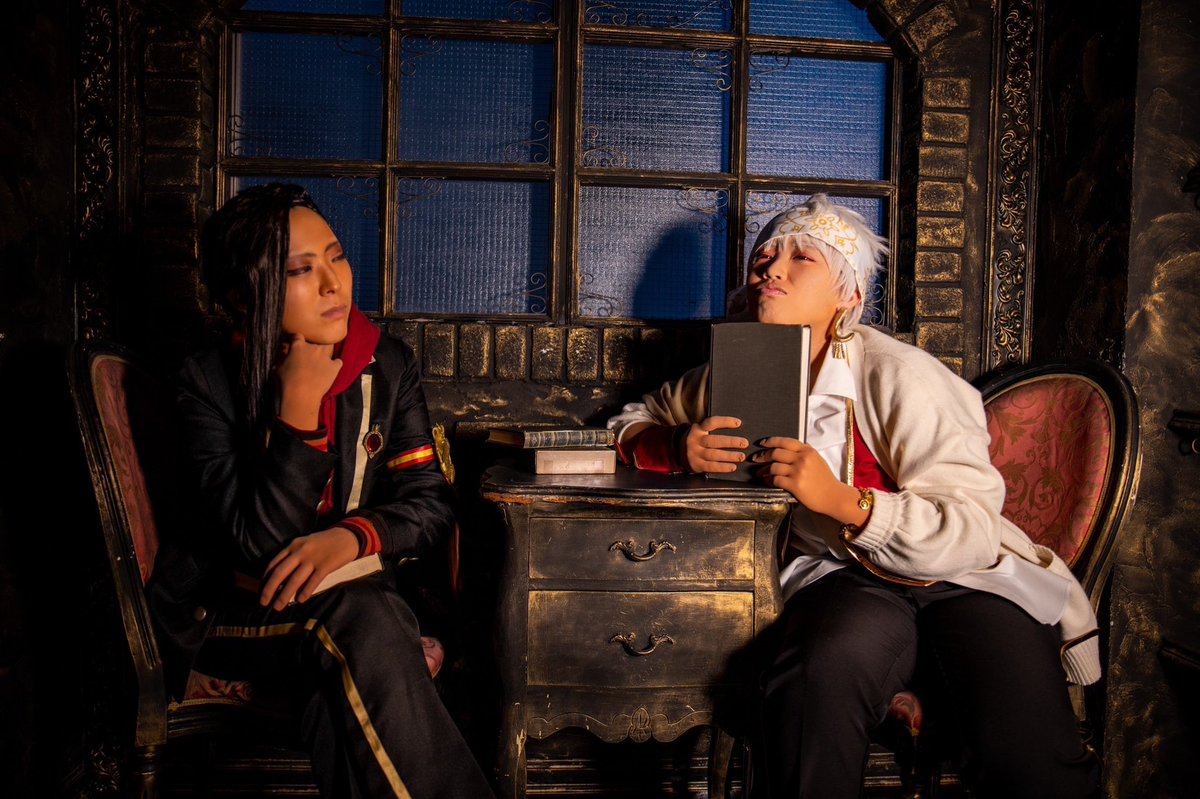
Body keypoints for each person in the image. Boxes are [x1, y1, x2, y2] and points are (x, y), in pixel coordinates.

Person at [607, 195, 1100, 798]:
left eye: (802, 258)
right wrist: (678, 446)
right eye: (763, 259)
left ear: (849, 295)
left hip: (965, 579)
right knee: (815, 678)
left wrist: (842, 501)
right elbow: (631, 421)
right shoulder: (731, 374)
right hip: (845, 579)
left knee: (1025, 746)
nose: (771, 269)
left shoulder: (903, 375)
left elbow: (971, 528)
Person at [147, 183, 495, 798]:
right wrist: (299, 413)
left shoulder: (387, 365)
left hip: (356, 605)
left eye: (337, 257)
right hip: (234, 614)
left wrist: (350, 539)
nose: (334, 283)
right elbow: (256, 546)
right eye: (302, 270)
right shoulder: (206, 382)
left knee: (345, 681)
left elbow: (429, 502)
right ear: (243, 295)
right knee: (370, 623)